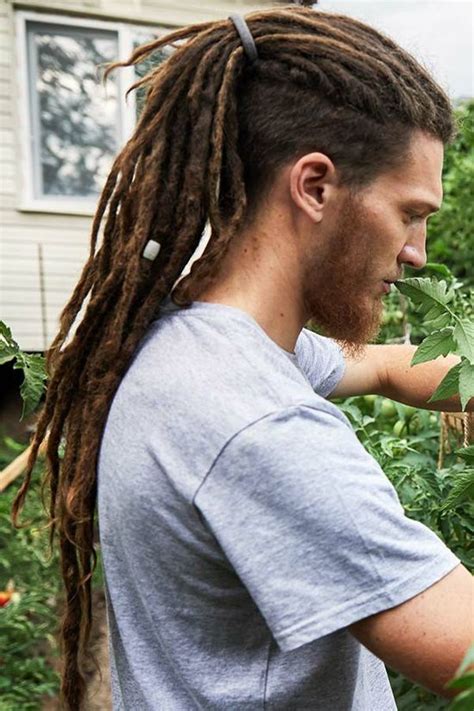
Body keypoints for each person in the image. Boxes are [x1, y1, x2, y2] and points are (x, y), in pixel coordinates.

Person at [13, 4, 473, 710]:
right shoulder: (258, 423)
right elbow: (463, 651)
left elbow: (382, 364)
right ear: (315, 186)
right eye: (409, 213)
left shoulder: (200, 343)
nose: (416, 253)